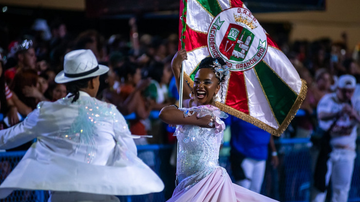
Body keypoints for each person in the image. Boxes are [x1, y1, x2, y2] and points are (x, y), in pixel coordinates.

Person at [0, 49, 164, 201]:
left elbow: (6, 139)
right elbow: (130, 152)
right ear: (93, 82)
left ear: (67, 83)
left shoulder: (46, 112)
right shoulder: (109, 113)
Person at [159, 49, 277, 202]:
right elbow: (185, 99)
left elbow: (166, 114)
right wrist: (176, 68)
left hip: (207, 185)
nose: (200, 86)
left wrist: (182, 114)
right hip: (186, 184)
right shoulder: (197, 111)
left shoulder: (212, 116)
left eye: (207, 82)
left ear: (217, 88)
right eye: (197, 81)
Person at [311, 75, 360, 202]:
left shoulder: (357, 102)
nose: (347, 94)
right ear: (338, 88)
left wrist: (354, 114)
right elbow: (321, 116)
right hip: (328, 150)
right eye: (344, 91)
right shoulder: (328, 100)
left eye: (350, 91)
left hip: (347, 151)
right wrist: (339, 112)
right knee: (320, 187)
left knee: (342, 190)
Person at [229, 117, 278, 193]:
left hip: (261, 156)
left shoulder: (264, 109)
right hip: (243, 155)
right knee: (243, 189)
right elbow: (222, 123)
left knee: (256, 190)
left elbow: (269, 131)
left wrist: (274, 152)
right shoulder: (238, 107)